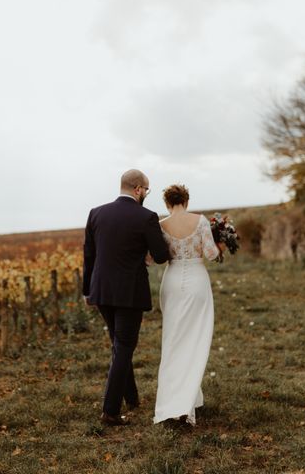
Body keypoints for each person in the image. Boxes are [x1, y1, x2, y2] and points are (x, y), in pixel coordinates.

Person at [82, 169, 171, 426]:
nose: (146, 195)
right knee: (123, 346)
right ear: (138, 189)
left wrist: (87, 290)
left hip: (101, 290)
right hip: (129, 292)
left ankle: (131, 397)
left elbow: (89, 255)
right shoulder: (146, 217)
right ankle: (110, 411)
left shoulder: (96, 213)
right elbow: (161, 255)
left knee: (119, 344)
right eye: (147, 190)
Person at [153, 184, 225, 427]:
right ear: (186, 200)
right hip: (196, 281)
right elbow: (211, 254)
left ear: (167, 203)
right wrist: (223, 245)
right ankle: (184, 402)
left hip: (172, 281)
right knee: (195, 340)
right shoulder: (201, 221)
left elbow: (152, 258)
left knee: (173, 341)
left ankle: (181, 400)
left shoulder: (161, 225)